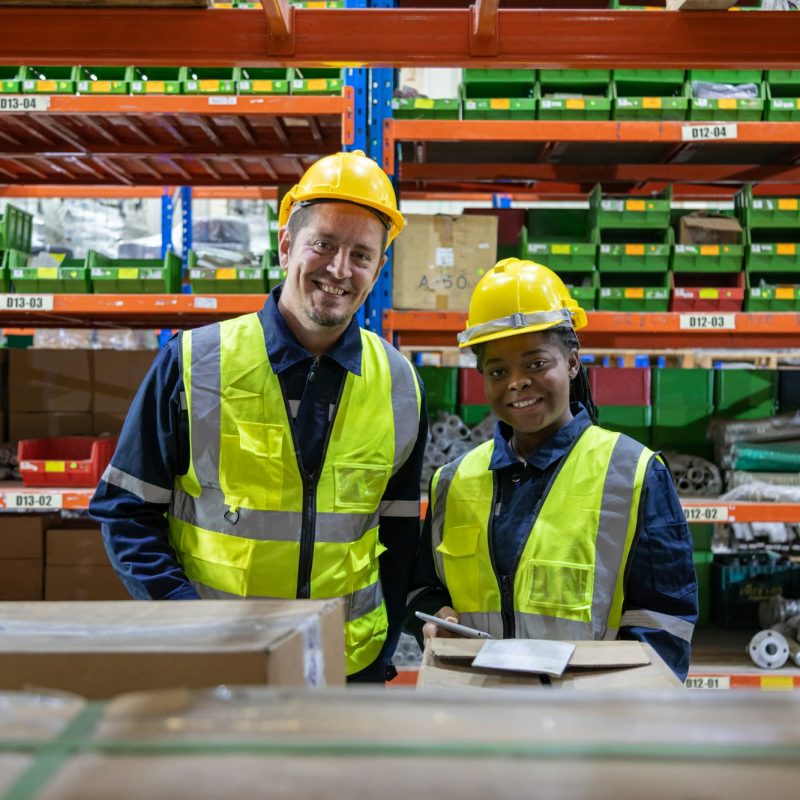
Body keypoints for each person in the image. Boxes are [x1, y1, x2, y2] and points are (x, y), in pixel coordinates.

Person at [90, 150, 428, 684]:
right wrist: (190, 624)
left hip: (347, 668)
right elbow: (126, 511)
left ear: (379, 267)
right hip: (218, 664)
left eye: (362, 254)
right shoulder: (194, 363)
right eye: (323, 244)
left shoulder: (400, 384)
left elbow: (399, 534)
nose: (340, 270)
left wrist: (380, 650)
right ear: (286, 244)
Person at [405, 258, 698, 680]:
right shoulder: (453, 481)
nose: (517, 382)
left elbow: (664, 620)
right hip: (480, 708)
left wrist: (625, 709)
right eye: (498, 370)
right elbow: (421, 588)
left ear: (573, 362)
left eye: (537, 363)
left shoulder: (634, 474)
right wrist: (435, 615)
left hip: (587, 723)